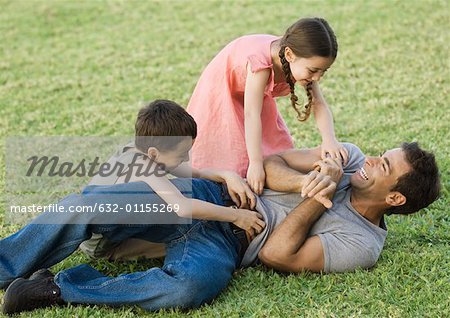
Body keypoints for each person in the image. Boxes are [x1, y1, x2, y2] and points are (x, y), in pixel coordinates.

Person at [0, 142, 440, 315]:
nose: (371, 160)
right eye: (381, 153)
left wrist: (316, 196)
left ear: (395, 198)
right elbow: (270, 163)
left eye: (384, 165)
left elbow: (278, 256)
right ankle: (6, 264)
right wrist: (310, 178)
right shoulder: (350, 157)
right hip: (211, 197)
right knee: (90, 206)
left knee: (185, 290)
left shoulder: (362, 244)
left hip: (227, 244)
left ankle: (54, 288)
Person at [80, 99, 263, 261]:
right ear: (153, 153)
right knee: (197, 237)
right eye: (181, 154)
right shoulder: (143, 166)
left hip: (128, 221)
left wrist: (226, 175)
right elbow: (182, 207)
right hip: (106, 243)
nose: (185, 158)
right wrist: (237, 215)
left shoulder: (147, 148)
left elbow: (195, 174)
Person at [187, 17, 349, 194]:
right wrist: (255, 164)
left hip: (253, 97)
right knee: (236, 155)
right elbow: (251, 114)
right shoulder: (262, 64)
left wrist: (329, 140)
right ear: (289, 55)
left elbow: (319, 103)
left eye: (322, 71)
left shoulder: (301, 59)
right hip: (223, 90)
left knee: (275, 152)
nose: (317, 77)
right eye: (313, 71)